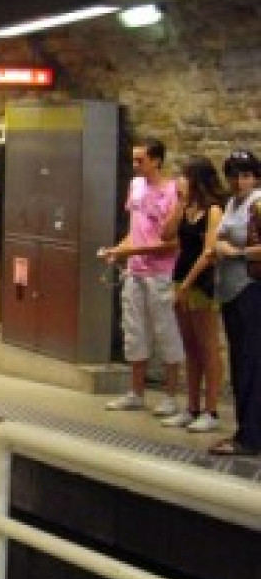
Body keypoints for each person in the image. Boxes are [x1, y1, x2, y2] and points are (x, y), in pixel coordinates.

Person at [100, 139, 184, 415]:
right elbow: (134, 230)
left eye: (141, 160)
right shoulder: (135, 186)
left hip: (161, 273)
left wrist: (132, 250)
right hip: (134, 270)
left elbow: (172, 242)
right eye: (134, 159)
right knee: (134, 331)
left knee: (165, 331)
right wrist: (119, 250)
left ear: (156, 161)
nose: (135, 165)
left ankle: (170, 395)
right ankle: (135, 391)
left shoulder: (172, 192)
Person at [204, 150, 261, 455]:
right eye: (235, 176)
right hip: (231, 290)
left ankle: (250, 437)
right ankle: (245, 430)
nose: (240, 182)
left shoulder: (258, 204)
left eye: (246, 175)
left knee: (251, 363)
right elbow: (218, 238)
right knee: (240, 362)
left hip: (250, 290)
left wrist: (236, 253)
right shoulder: (232, 203)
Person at [169, 157, 227, 431]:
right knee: (190, 346)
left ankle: (211, 409)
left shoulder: (213, 211)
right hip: (180, 277)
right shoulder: (186, 208)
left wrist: (186, 285)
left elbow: (208, 252)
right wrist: (179, 204)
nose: (180, 181)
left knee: (207, 346)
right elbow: (166, 234)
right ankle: (191, 406)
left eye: (185, 176)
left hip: (201, 283)